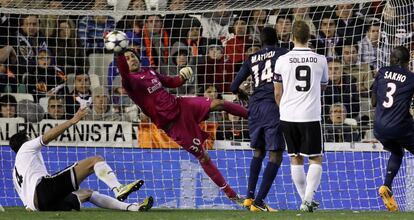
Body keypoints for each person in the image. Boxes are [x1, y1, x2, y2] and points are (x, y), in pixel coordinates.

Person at [115, 47, 248, 206]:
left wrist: (183, 77)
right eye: (128, 58)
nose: (132, 59)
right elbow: (123, 71)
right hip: (174, 125)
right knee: (203, 156)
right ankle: (232, 195)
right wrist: (119, 53)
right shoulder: (130, 81)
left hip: (181, 105)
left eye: (133, 56)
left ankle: (253, 115)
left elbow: (171, 82)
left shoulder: (150, 72)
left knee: (218, 103)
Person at [10, 107, 152, 211]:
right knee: (95, 160)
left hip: (40, 205)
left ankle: (133, 208)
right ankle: (118, 188)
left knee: (88, 194)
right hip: (43, 191)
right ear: (26, 140)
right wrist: (72, 121)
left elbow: (26, 203)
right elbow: (46, 137)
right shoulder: (26, 147)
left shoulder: (16, 170)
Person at [230, 27, 287, 212]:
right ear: (277, 39)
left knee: (258, 152)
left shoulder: (251, 58)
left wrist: (242, 94)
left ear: (260, 42)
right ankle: (260, 201)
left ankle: (249, 198)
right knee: (276, 153)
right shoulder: (283, 53)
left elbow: (233, 86)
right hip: (273, 105)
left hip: (254, 107)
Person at [274, 20, 329, 212]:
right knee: (315, 158)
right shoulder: (320, 60)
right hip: (310, 115)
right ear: (309, 38)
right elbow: (322, 87)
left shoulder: (281, 60)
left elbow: (277, 93)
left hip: (288, 115)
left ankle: (305, 200)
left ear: (291, 38)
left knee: (295, 157)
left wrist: (285, 109)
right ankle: (307, 199)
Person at [371, 46, 414, 212]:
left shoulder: (382, 72)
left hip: (380, 128)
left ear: (392, 59)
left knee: (397, 152)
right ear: (407, 61)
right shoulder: (411, 78)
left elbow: (374, 102)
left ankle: (386, 186)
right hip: (400, 127)